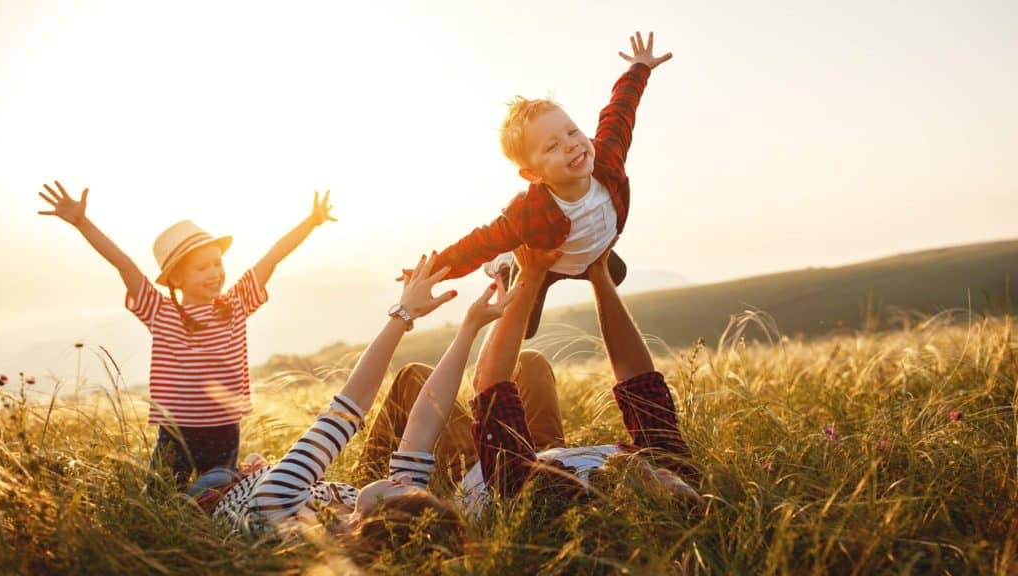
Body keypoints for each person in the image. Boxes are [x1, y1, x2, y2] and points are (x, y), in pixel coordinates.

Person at [197, 254, 513, 562]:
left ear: (374, 524)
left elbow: (350, 405)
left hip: (221, 486)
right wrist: (470, 328)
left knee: (200, 476)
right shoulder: (374, 511)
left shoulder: (278, 512)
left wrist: (404, 314)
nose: (408, 484)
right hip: (266, 472)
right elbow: (424, 421)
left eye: (409, 493)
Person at [38, 181, 335, 489]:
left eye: (217, 263)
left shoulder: (235, 304)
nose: (215, 273)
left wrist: (311, 222)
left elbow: (272, 257)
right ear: (176, 278)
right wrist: (82, 223)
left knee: (219, 494)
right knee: (161, 495)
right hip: (176, 430)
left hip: (224, 428)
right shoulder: (160, 312)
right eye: (201, 268)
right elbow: (123, 264)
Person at [409, 31, 673, 339]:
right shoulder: (528, 215)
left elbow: (620, 111)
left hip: (588, 252)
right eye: (552, 146)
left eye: (573, 132)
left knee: (618, 274)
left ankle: (585, 262)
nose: (572, 145)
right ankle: (506, 265)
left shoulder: (607, 157)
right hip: (546, 261)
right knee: (524, 329)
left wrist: (639, 67)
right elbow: (478, 245)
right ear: (533, 175)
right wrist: (431, 273)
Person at [467, 243, 700, 509]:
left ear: (634, 503)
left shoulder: (559, 502)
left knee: (415, 380)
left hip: (475, 469)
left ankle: (511, 271)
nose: (666, 474)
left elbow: (487, 385)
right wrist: (599, 274)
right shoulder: (673, 469)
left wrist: (527, 278)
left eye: (662, 481)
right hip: (548, 452)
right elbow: (639, 382)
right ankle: (531, 269)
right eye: (681, 484)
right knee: (530, 363)